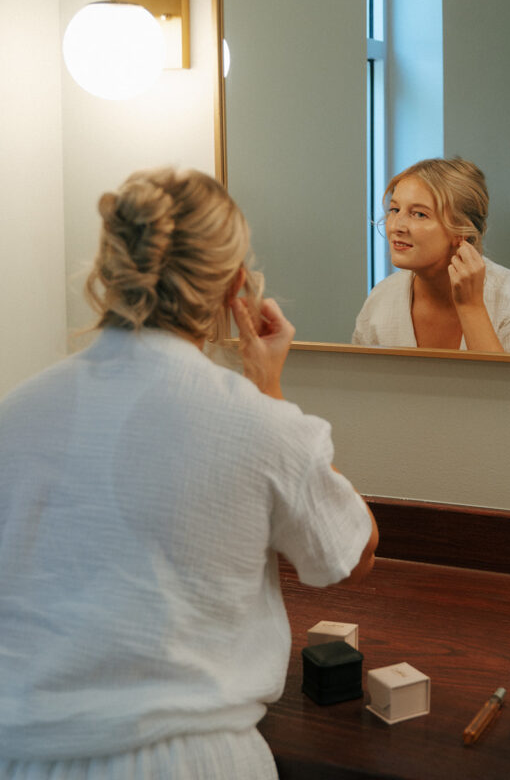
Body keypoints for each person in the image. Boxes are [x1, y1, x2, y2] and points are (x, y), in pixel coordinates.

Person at [0, 167, 378, 780]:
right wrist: (271, 388)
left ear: (110, 270)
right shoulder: (257, 426)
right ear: (236, 287)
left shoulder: (14, 415)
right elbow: (353, 552)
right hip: (189, 761)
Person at [352, 157, 510, 355]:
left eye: (419, 214)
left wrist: (471, 307)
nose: (395, 226)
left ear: (461, 231)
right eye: (394, 210)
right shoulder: (382, 299)